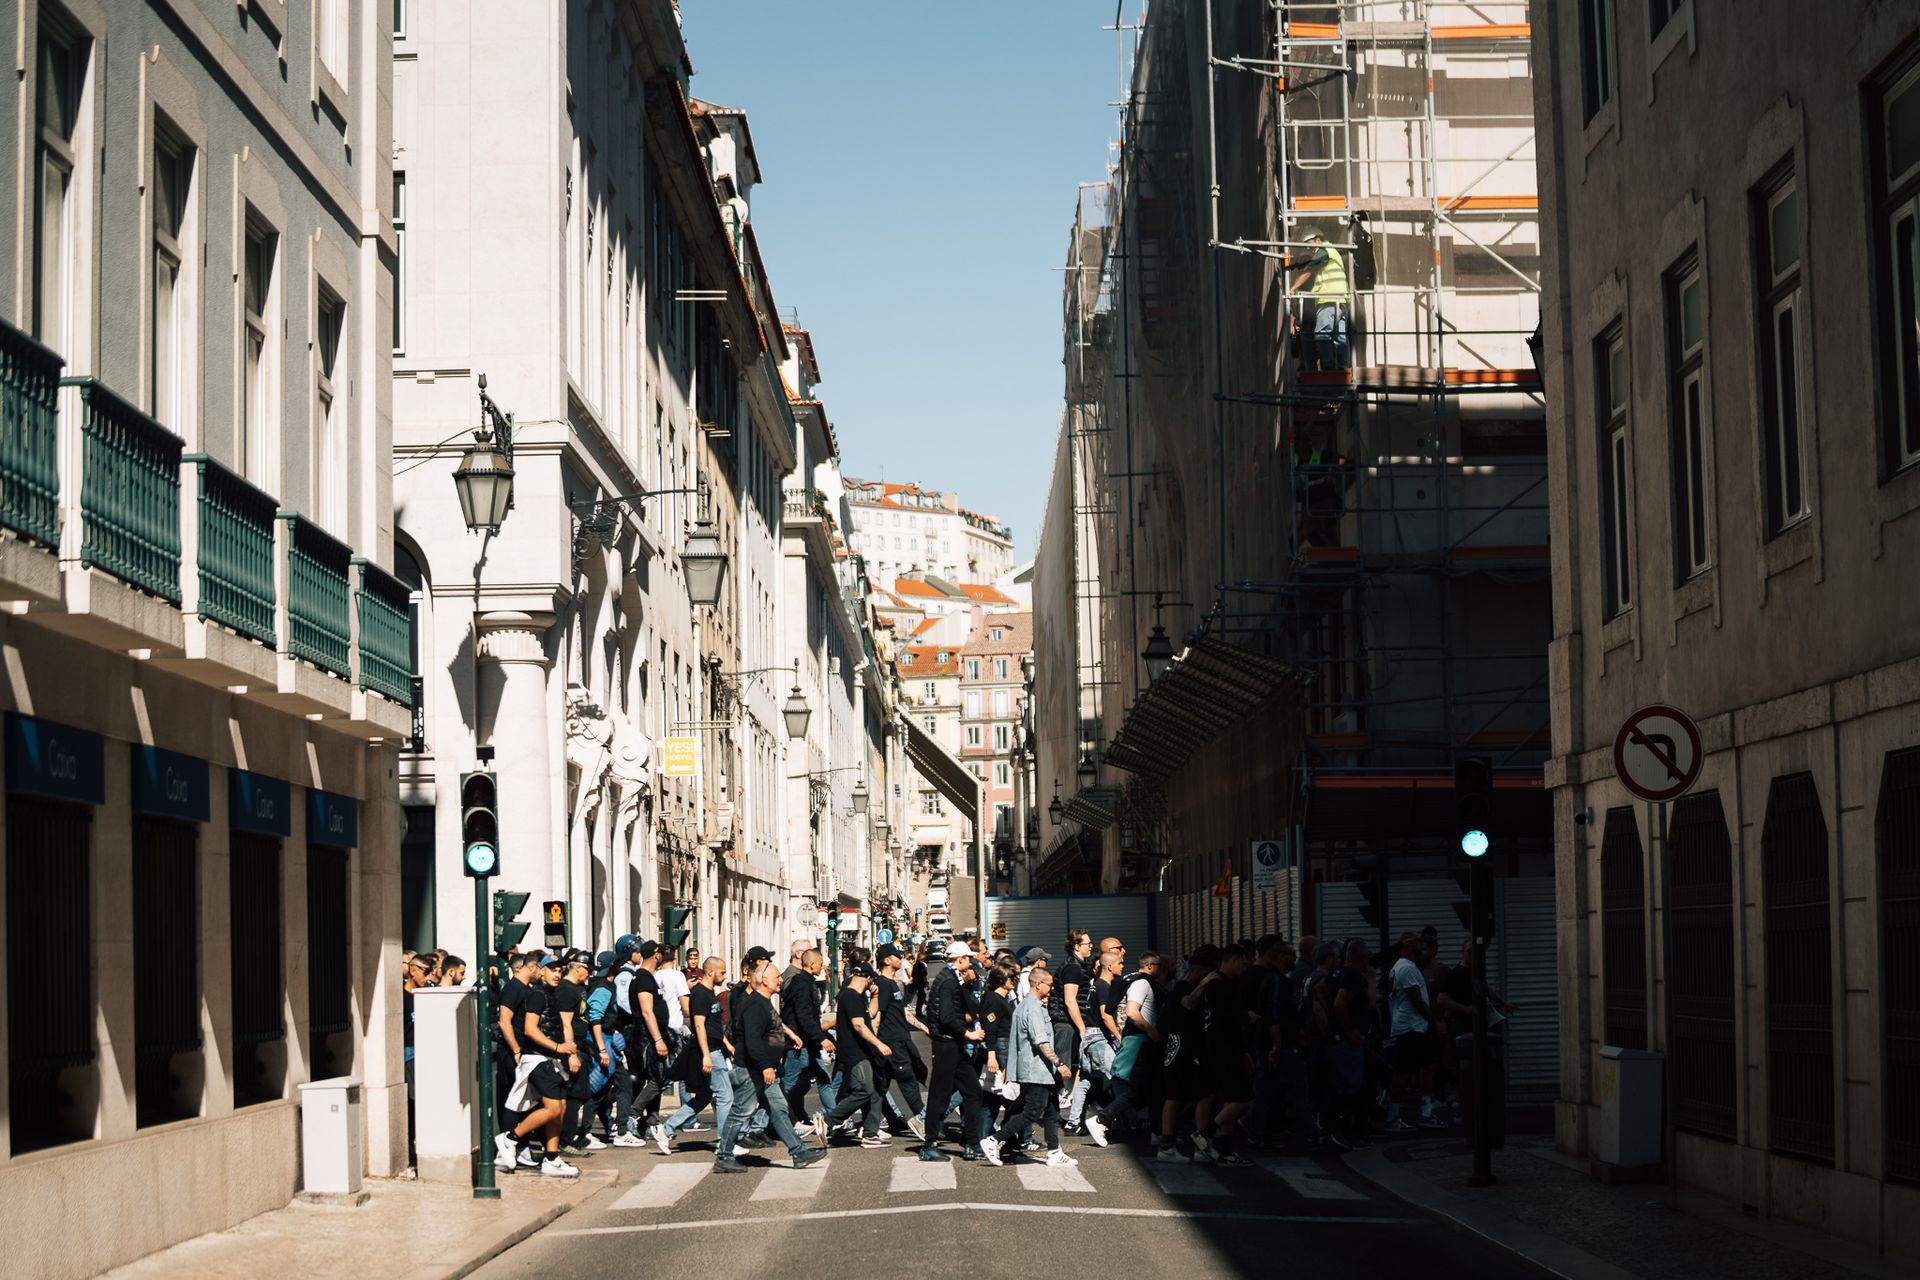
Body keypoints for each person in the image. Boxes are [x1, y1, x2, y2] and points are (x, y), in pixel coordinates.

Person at [713, 957, 825, 1173]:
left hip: (765, 1070)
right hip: (752, 1070)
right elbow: (752, 1040)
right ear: (764, 980)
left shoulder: (763, 1002)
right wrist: (764, 1066)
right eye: (776, 976)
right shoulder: (754, 1004)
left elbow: (769, 1031)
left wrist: (787, 1036)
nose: (781, 980)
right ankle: (724, 1156)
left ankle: (799, 1152)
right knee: (740, 1112)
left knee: (779, 1109)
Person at [979, 967, 1077, 1168]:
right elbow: (1040, 1041)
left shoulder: (1026, 1005)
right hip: (1036, 1070)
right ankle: (994, 1140)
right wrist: (1059, 1064)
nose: (1051, 989)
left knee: (1052, 1111)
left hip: (1039, 1071)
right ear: (1038, 983)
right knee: (1033, 1111)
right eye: (1049, 984)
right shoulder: (1032, 1008)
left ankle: (1055, 1151)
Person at [494, 953, 581, 1177]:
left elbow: (563, 1024)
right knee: (552, 1107)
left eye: (560, 970)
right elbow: (530, 1030)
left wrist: (568, 1051)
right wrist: (557, 1047)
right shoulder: (536, 996)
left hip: (551, 1059)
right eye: (552, 969)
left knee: (559, 1109)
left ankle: (551, 1159)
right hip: (537, 1059)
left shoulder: (551, 995)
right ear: (540, 970)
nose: (557, 973)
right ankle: (510, 1138)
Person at [917, 939, 986, 1162]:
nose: (972, 964)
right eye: (969, 960)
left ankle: (972, 1143)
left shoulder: (952, 978)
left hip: (951, 1044)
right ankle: (929, 1145)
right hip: (947, 1044)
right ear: (961, 960)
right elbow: (947, 1017)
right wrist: (968, 1034)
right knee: (940, 1095)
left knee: (973, 1091)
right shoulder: (948, 982)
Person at [1086, 951, 1163, 1147]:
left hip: (1141, 1040)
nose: (1122, 965)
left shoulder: (1137, 981)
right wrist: (1150, 1030)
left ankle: (1158, 1132)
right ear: (1150, 966)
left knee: (1153, 1088)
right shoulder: (1141, 983)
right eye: (1160, 965)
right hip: (1139, 1040)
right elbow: (1130, 1012)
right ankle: (1101, 1119)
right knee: (1133, 1086)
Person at [660, 956, 732, 1153]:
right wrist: (706, 1055)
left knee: (703, 1097)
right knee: (726, 1095)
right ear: (711, 971)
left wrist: (727, 1044)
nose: (724, 976)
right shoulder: (700, 994)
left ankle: (666, 1129)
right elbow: (699, 1025)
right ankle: (725, 1143)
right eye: (722, 972)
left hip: (716, 1048)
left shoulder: (710, 993)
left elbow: (714, 1025)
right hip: (710, 1051)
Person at [818, 963, 892, 1147]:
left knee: (875, 1091)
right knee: (864, 1091)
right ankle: (828, 1121)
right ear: (868, 979)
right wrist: (879, 1044)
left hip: (863, 1052)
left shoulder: (853, 996)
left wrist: (875, 996)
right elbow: (859, 1025)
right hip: (855, 1053)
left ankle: (870, 1133)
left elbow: (870, 1014)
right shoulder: (851, 996)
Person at [1384, 932, 1444, 1133]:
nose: (1422, 944)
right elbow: (1416, 1001)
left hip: (1418, 1026)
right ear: (1408, 944)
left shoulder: (1409, 967)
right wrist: (1434, 1022)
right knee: (1403, 1072)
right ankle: (1392, 1117)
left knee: (1429, 1066)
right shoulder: (1406, 968)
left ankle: (1426, 1112)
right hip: (1410, 1027)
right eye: (1418, 941)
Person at [584, 949, 642, 1146]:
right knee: (598, 1088)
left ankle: (617, 1129)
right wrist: (602, 1049)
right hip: (602, 1043)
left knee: (619, 1085)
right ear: (614, 968)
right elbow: (596, 1018)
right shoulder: (603, 989)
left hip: (605, 1041)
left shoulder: (602, 986)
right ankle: (587, 1132)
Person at [872, 942, 928, 1141]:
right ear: (887, 960)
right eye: (897, 956)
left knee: (881, 1085)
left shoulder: (891, 983)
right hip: (892, 1042)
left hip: (900, 1039)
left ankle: (885, 1121)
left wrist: (922, 1027)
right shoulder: (882, 985)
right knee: (908, 1082)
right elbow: (877, 1015)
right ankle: (924, 1123)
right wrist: (876, 1043)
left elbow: (900, 1011)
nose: (900, 958)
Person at [779, 948, 838, 1125]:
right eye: (820, 963)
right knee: (791, 1084)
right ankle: (782, 1120)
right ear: (812, 964)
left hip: (808, 1043)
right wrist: (821, 1038)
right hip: (799, 1043)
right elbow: (803, 1016)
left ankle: (834, 1118)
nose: (823, 966)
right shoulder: (801, 984)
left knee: (821, 1079)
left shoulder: (807, 982)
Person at [1328, 938, 1375, 1148]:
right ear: (1361, 957)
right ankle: (1343, 1131)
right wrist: (1350, 1029)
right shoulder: (1353, 976)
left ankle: (1351, 1131)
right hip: (1349, 1042)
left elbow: (1321, 990)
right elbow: (1339, 1003)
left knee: (1352, 1086)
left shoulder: (1337, 973)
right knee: (1350, 1088)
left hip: (1340, 1040)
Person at [1289, 229, 1350, 371]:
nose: (1309, 249)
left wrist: (1292, 288)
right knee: (1340, 337)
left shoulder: (1324, 250)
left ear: (1318, 240)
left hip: (1328, 299)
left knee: (1322, 334)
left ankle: (1328, 368)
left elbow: (1308, 272)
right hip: (1340, 300)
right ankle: (1343, 367)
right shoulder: (1332, 251)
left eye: (1310, 245)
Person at [1052, 930, 1093, 1119]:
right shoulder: (1073, 968)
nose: (1091, 946)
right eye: (1087, 943)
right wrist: (1082, 1027)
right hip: (1066, 1025)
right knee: (1061, 1071)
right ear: (1077, 946)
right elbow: (1070, 1000)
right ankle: (1049, 1110)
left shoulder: (1078, 966)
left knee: (1070, 1068)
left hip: (1068, 1024)